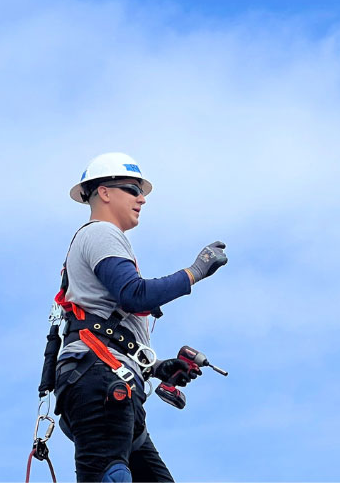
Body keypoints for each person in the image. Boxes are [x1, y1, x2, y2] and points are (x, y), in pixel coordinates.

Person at [48, 153, 228, 482]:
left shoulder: (98, 240)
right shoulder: (100, 233)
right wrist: (195, 271)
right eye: (133, 189)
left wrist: (156, 369)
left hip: (112, 383)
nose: (142, 198)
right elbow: (135, 295)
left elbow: (111, 319)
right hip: (99, 380)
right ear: (104, 192)